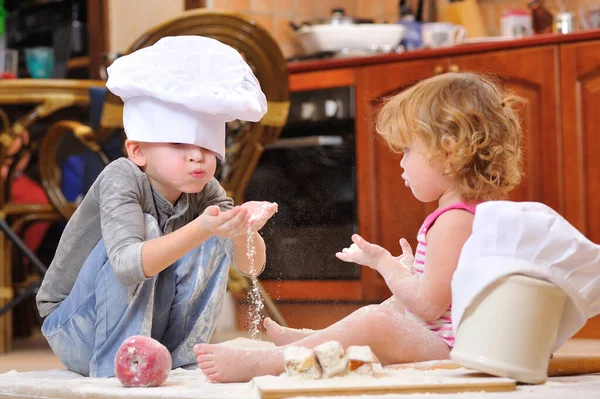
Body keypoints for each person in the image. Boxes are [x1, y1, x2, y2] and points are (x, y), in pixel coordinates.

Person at [193, 72, 523, 382]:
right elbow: (447, 292)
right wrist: (412, 272)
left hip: (450, 348)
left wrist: (388, 266)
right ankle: (316, 341)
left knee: (375, 320)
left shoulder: (454, 220)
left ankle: (272, 362)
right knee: (387, 310)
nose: (402, 163)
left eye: (408, 150)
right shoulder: (472, 212)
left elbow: (428, 306)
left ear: (448, 152)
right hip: (446, 335)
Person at [35, 36, 277, 378]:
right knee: (154, 228)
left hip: (152, 324)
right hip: (74, 327)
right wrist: (205, 227)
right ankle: (116, 367)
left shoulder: (206, 190)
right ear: (138, 151)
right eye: (179, 144)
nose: (197, 156)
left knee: (215, 226)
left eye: (207, 147)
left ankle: (181, 357)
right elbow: (126, 266)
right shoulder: (122, 176)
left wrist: (242, 230)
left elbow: (251, 267)